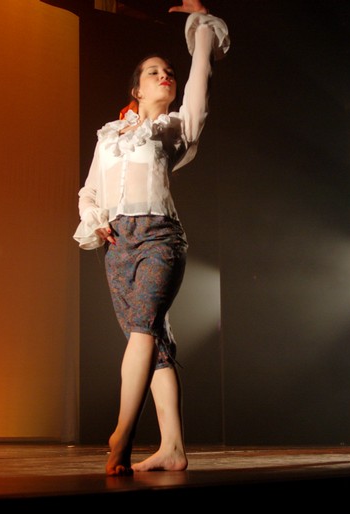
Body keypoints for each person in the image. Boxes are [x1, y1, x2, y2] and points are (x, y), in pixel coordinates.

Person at [73, 0, 229, 476]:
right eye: (154, 72)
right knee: (155, 341)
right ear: (136, 89)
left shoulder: (175, 128)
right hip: (118, 245)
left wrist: (201, 26)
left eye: (169, 73)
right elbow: (89, 191)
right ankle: (173, 447)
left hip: (160, 239)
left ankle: (122, 433)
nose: (166, 76)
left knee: (142, 330)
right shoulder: (109, 136)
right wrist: (94, 217)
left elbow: (199, 81)